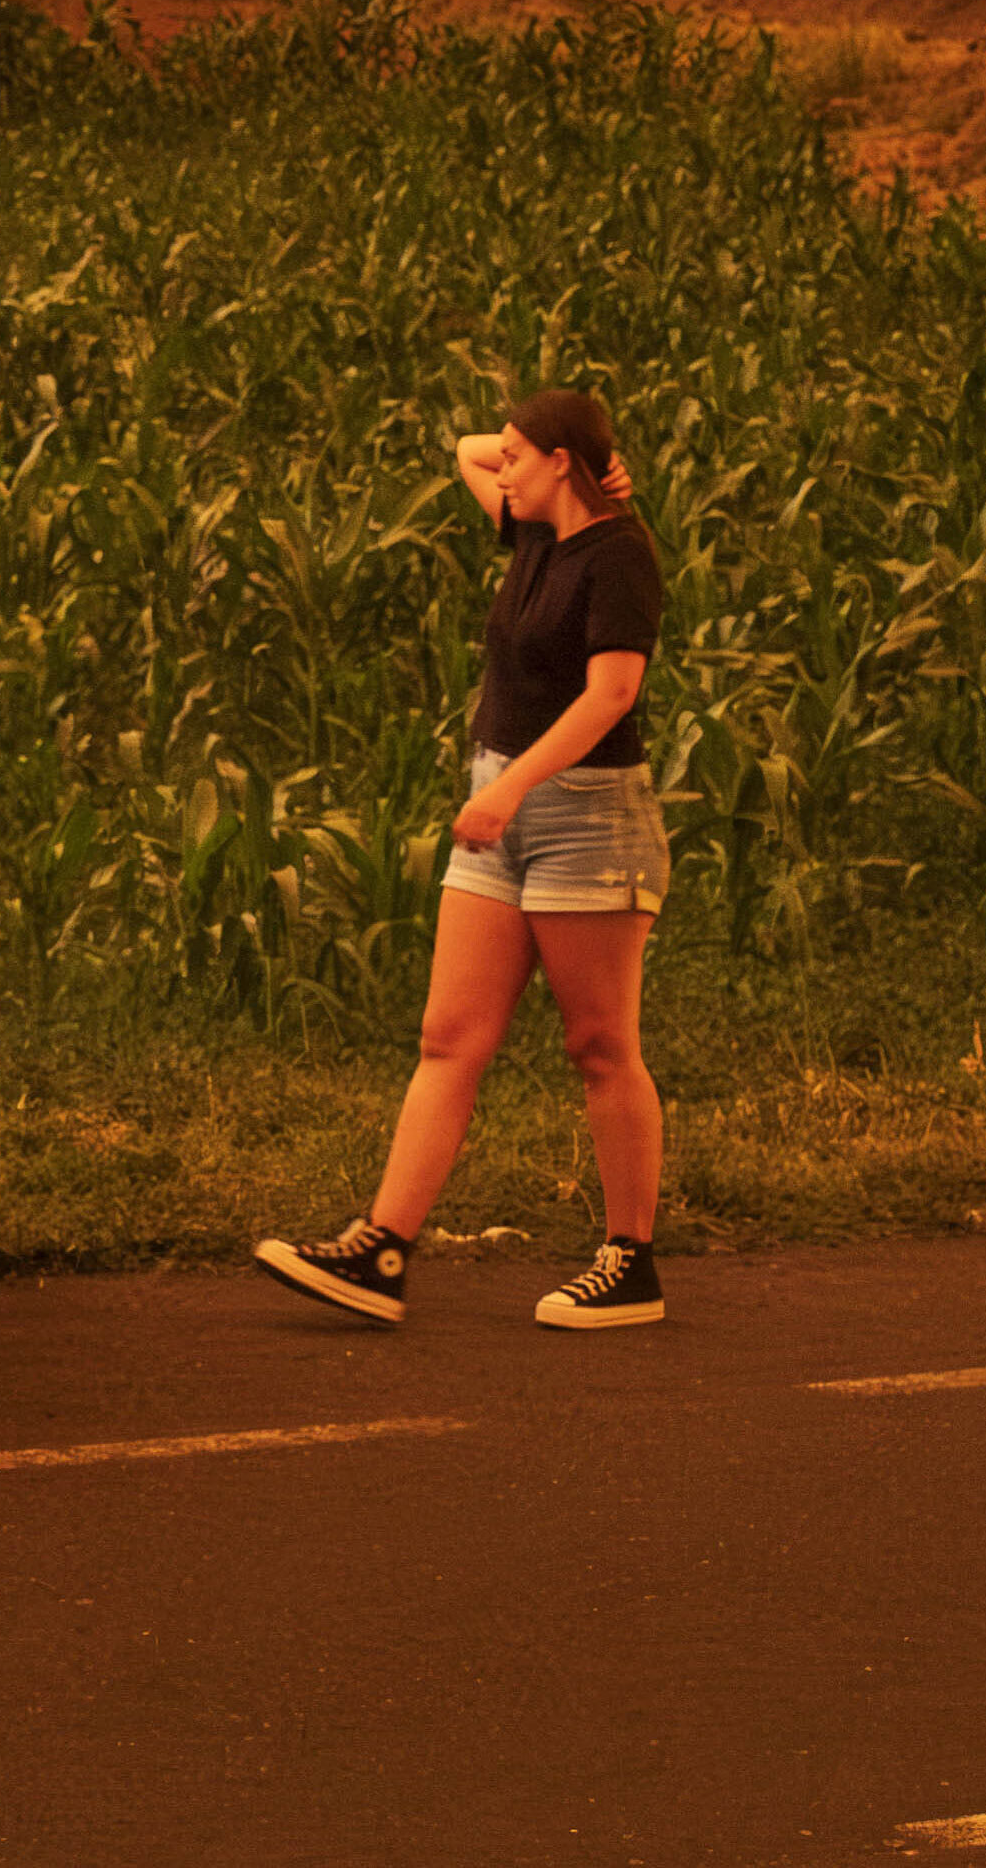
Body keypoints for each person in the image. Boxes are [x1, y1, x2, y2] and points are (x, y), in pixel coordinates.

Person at [254, 386, 673, 1333]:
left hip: (586, 816)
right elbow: (465, 446)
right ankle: (381, 1249)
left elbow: (611, 694)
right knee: (450, 1034)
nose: (503, 467)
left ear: (560, 464)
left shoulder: (620, 556)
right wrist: (574, 451)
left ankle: (629, 1260)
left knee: (599, 1044)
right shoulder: (530, 531)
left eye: (525, 455)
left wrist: (510, 786)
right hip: (505, 810)